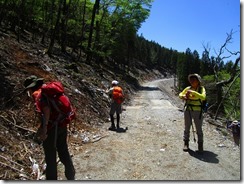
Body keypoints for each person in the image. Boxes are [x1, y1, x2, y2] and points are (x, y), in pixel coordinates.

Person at [24, 75, 75, 180]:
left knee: (50, 155)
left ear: (30, 88)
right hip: (62, 123)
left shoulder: (38, 94)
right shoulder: (50, 91)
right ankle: (71, 174)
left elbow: (46, 110)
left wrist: (44, 129)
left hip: (52, 127)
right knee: (63, 149)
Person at [179, 73, 206, 153]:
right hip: (188, 110)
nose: (192, 81)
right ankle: (186, 143)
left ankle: (200, 146)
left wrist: (193, 93)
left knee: (199, 129)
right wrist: (182, 96)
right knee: (187, 127)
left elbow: (203, 97)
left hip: (198, 111)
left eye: (194, 80)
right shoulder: (188, 88)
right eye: (191, 80)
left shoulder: (201, 89)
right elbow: (181, 94)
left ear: (198, 81)